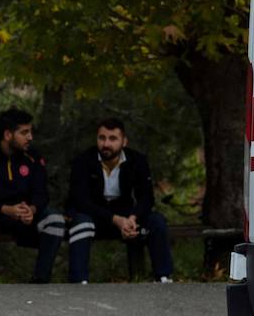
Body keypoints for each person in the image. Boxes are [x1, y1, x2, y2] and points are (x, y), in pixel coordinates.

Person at [65, 118, 173, 284]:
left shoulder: (137, 160)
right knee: (81, 222)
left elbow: (146, 197)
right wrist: (115, 219)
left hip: (125, 216)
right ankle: (79, 280)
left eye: (113, 138)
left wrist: (132, 218)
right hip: (95, 216)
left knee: (156, 221)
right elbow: (81, 201)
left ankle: (163, 276)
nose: (106, 144)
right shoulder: (83, 161)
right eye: (102, 138)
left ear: (124, 141)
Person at [0, 108, 65, 283]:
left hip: (25, 215)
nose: (30, 137)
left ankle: (40, 280)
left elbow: (42, 193)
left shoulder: (34, 157)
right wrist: (6, 209)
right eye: (24, 132)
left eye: (30, 132)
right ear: (8, 134)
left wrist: (32, 210)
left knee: (55, 220)